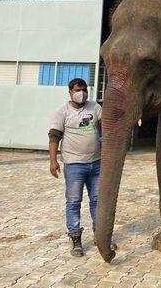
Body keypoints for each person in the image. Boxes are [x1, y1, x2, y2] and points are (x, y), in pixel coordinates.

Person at [48, 78, 113, 256]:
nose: (82, 93)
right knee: (74, 202)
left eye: (84, 89)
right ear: (70, 92)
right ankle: (75, 238)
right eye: (78, 90)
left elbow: (105, 126)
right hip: (74, 165)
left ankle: (100, 236)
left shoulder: (95, 108)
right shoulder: (62, 112)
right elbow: (54, 137)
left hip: (96, 164)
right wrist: (53, 161)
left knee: (98, 201)